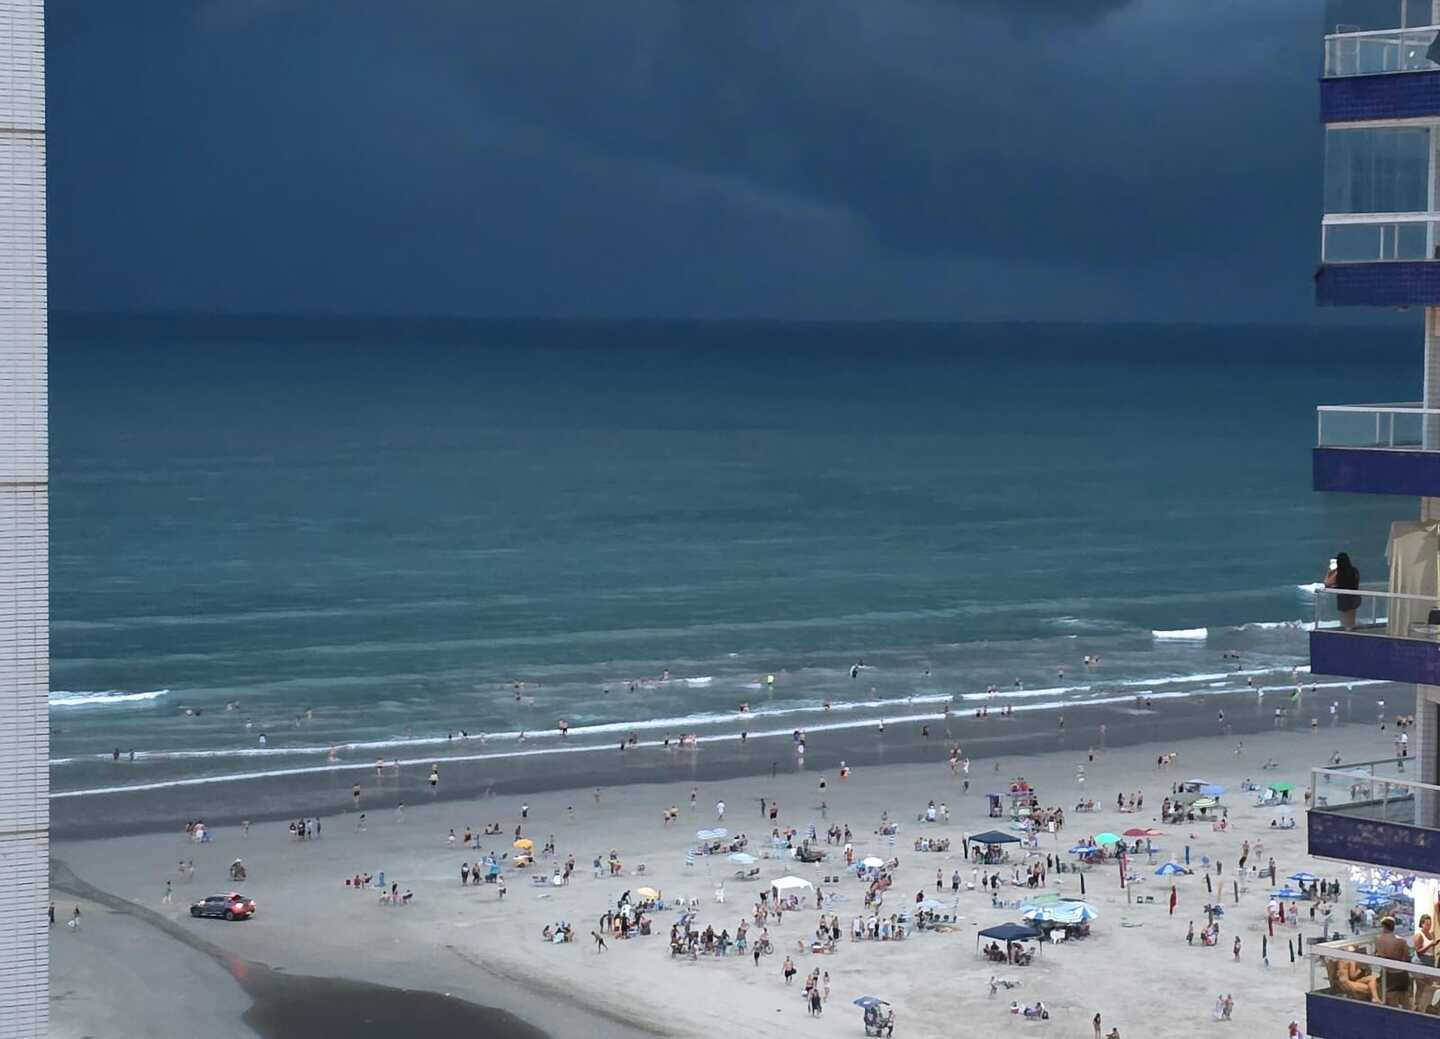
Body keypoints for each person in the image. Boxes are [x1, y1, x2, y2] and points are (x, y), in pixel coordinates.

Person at [1325, 552, 1361, 630]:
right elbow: (1356, 582)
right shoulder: (1355, 571)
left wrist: (1329, 572)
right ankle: (1352, 633)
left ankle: (1347, 635)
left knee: (1344, 622)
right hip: (1355, 597)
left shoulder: (1338, 573)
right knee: (1351, 621)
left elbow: (1327, 583)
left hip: (1344, 598)